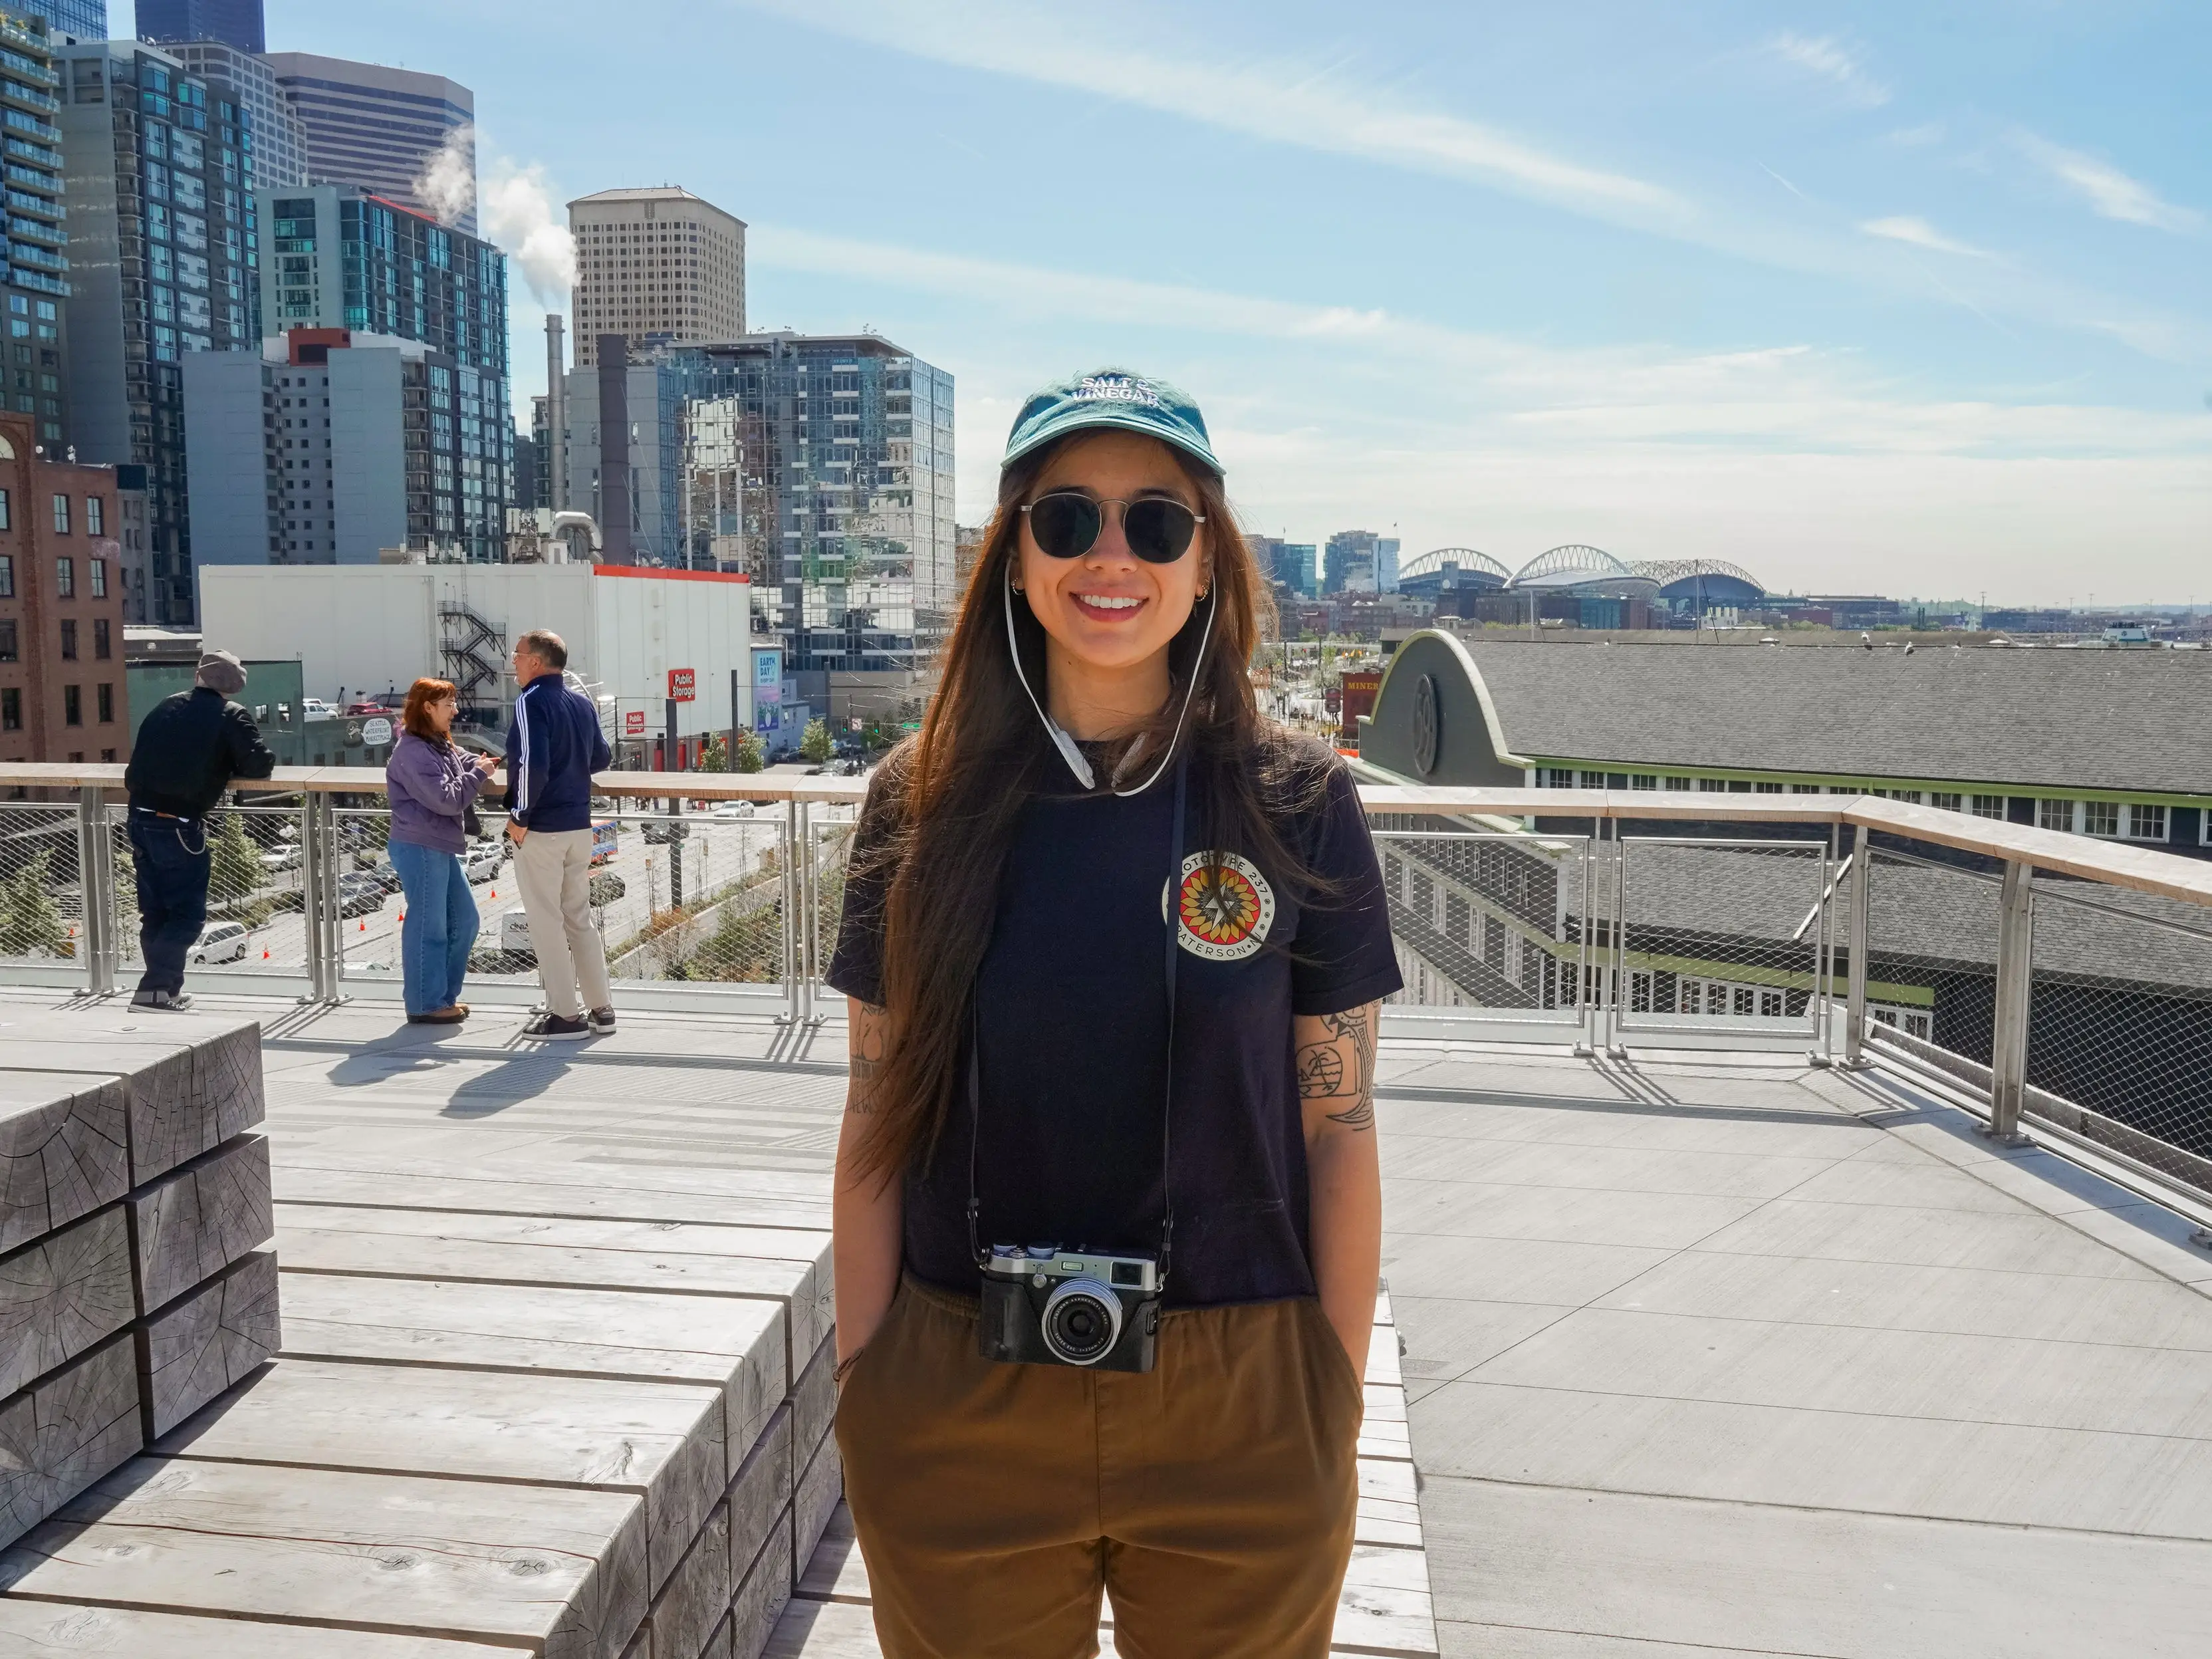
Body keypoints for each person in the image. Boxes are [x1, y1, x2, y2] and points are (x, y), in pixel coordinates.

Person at [826, 369, 1400, 1658]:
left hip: (1242, 1393)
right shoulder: (914, 804)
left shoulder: (1296, 802)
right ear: (1014, 554)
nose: (1110, 554)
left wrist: (1328, 1399)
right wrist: (868, 1380)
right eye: (1067, 516)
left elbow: (1339, 1127)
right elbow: (871, 1109)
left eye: (1156, 522)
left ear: (1207, 561)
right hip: (955, 1375)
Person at [121, 649, 277, 1011]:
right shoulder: (230, 715)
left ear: (197, 675)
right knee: (188, 915)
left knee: (155, 913)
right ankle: (155, 991)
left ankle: (164, 992)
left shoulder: (165, 706)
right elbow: (258, 765)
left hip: (138, 817)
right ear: (234, 687)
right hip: (178, 823)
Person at [504, 628, 614, 1040]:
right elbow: (601, 756)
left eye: (517, 655)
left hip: (543, 829)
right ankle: (602, 1009)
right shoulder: (582, 702)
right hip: (578, 826)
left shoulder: (530, 702)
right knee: (578, 919)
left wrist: (520, 815)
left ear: (536, 661)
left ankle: (566, 1017)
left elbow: (533, 765)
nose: (513, 662)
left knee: (546, 922)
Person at [385, 676, 499, 1025]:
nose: (455, 710)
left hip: (436, 845)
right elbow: (447, 800)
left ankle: (441, 998)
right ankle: (425, 1003)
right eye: (449, 704)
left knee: (465, 920)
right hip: (420, 845)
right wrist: (478, 774)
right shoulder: (413, 752)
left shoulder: (435, 743)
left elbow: (463, 760)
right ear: (428, 708)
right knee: (427, 926)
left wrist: (476, 766)